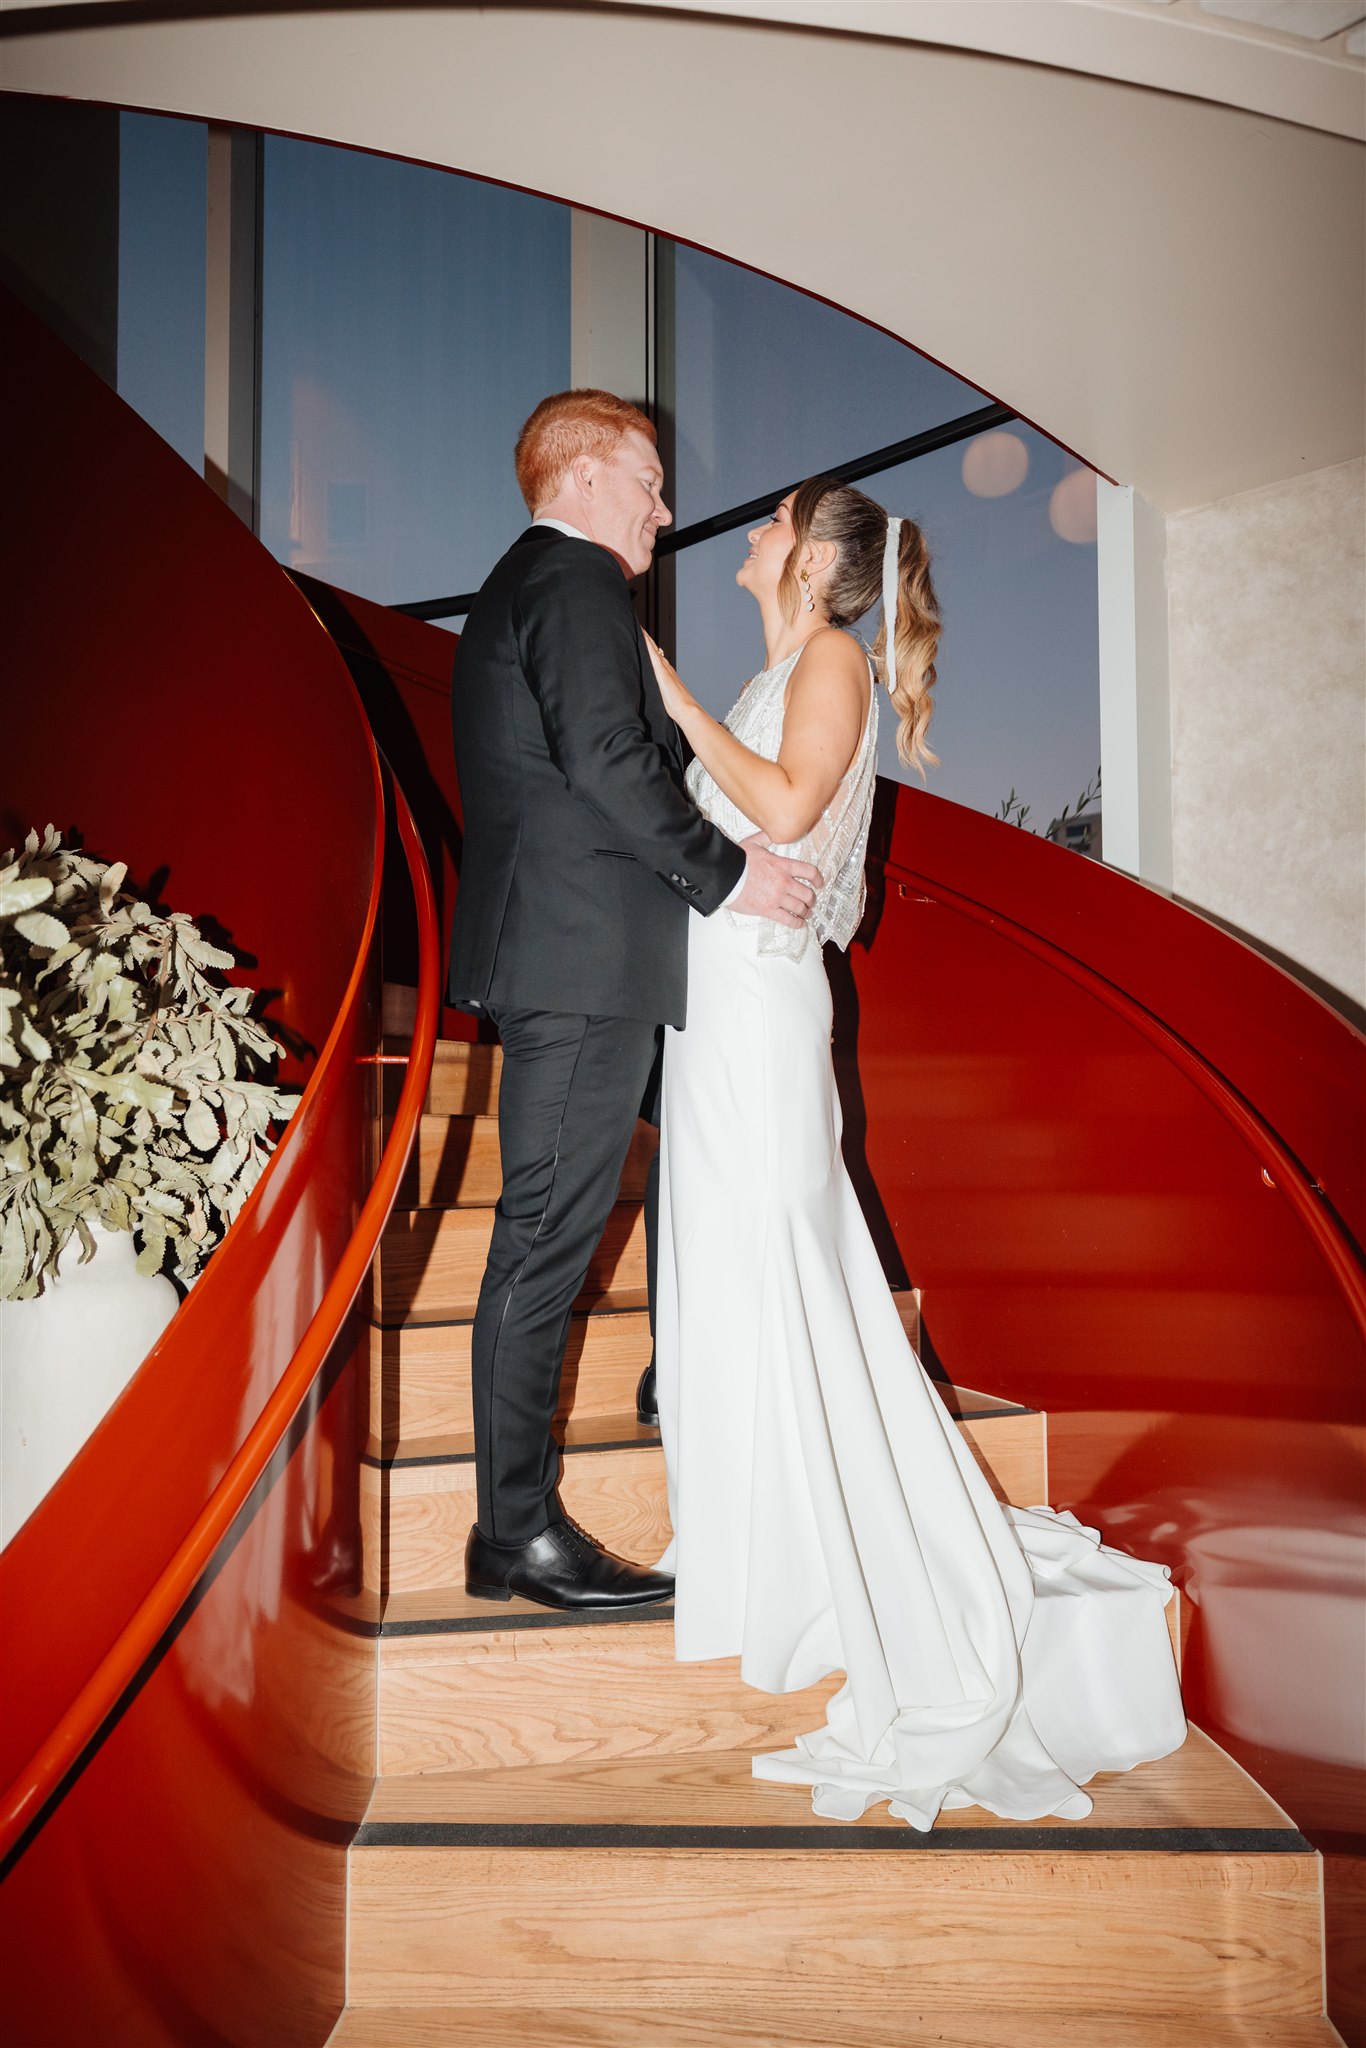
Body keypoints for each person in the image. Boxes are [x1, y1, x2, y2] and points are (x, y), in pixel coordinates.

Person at [644, 476, 1187, 1828]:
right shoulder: (778, 666)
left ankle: (857, 1565)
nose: (749, 537)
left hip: (760, 1009)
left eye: (771, 525)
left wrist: (672, 706)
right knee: (733, 1278)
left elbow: (781, 808)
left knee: (789, 1275)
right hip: (712, 1013)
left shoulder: (825, 658)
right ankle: (767, 1541)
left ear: (817, 560)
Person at [448, 390, 823, 1612]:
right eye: (650, 481)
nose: (667, 509)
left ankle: (678, 1370)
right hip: (577, 963)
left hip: (589, 957)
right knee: (543, 1241)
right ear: (586, 475)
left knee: (673, 1170)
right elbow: (606, 757)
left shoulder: (541, 587)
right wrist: (730, 875)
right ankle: (513, 1532)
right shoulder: (569, 581)